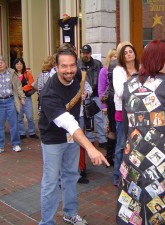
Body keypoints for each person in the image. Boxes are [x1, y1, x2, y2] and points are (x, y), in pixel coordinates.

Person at [116, 40, 165, 225]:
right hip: (164, 155)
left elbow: (128, 126)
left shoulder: (130, 84)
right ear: (158, 60)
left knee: (133, 200)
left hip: (134, 154)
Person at [38, 48, 109, 225]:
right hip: (53, 139)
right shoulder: (49, 92)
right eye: (64, 66)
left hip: (71, 138)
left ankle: (70, 212)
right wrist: (91, 147)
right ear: (56, 66)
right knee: (51, 181)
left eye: (72, 65)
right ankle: (46, 222)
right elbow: (68, 122)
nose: (69, 70)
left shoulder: (77, 76)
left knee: (71, 175)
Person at [0, 56, 26, 154]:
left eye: (1, 62)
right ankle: (0, 145)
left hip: (10, 100)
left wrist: (22, 97)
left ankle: (16, 144)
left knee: (13, 124)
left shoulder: (12, 72)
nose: (0, 64)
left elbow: (18, 86)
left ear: (5, 63)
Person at [113, 44, 140, 186]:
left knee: (136, 145)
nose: (129, 54)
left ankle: (133, 175)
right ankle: (117, 177)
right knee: (122, 146)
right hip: (122, 112)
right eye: (126, 52)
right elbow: (120, 92)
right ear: (122, 57)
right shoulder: (118, 70)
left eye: (131, 51)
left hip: (138, 112)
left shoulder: (141, 69)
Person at [77, 44, 107, 148]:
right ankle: (90, 138)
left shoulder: (97, 64)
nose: (85, 55)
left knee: (99, 117)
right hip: (84, 95)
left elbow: (103, 78)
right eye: (84, 53)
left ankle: (102, 138)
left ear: (90, 53)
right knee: (87, 117)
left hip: (96, 93)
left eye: (87, 53)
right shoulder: (77, 64)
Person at [98, 48, 117, 166]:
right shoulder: (104, 71)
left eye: (117, 56)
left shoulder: (120, 70)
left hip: (118, 105)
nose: (115, 59)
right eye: (113, 56)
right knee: (110, 129)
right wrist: (104, 106)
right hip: (109, 104)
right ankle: (109, 156)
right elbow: (101, 90)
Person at [12, 58, 38, 139]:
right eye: (17, 64)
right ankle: (22, 133)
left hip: (27, 98)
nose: (19, 66)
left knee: (30, 116)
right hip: (17, 98)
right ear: (14, 65)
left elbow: (31, 84)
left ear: (23, 65)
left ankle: (32, 132)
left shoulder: (27, 74)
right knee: (19, 117)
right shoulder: (12, 74)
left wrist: (22, 89)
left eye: (20, 64)